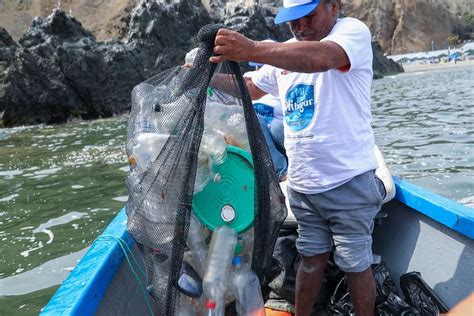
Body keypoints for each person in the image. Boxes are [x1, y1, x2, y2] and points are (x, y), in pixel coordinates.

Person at [209, 0, 383, 315]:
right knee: (311, 260)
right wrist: (204, 79)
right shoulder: (285, 52)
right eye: (293, 20)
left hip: (348, 182)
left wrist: (251, 49)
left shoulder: (351, 33)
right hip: (304, 187)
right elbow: (251, 88)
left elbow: (323, 58)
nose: (300, 26)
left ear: (334, 6)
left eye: (308, 17)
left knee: (356, 264)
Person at [244, 58, 288, 181]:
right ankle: (282, 172)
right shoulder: (249, 79)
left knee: (276, 128)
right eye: (257, 66)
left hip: (280, 127)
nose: (259, 69)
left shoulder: (282, 78)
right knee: (254, 119)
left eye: (262, 65)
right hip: (260, 131)